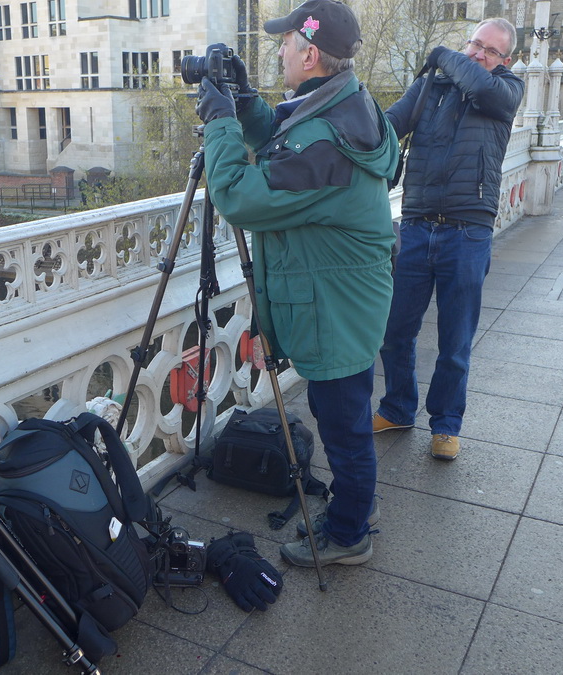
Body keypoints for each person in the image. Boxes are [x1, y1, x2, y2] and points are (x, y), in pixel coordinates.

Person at [194, 0, 398, 566]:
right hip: (348, 294)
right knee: (346, 416)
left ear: (309, 54)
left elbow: (239, 195)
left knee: (343, 426)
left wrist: (218, 123)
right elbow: (285, 136)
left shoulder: (325, 146)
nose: (278, 48)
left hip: (336, 305)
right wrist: (245, 103)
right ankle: (359, 505)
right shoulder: (345, 106)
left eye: (285, 42)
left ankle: (349, 532)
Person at [372, 18, 524, 462]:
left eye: (489, 50)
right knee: (395, 332)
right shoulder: (430, 88)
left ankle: (446, 425)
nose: (478, 54)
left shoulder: (505, 90)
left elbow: (482, 87)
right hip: (417, 226)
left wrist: (444, 56)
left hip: (468, 232)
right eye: (474, 44)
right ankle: (398, 407)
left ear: (505, 60)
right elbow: (387, 127)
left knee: (454, 343)